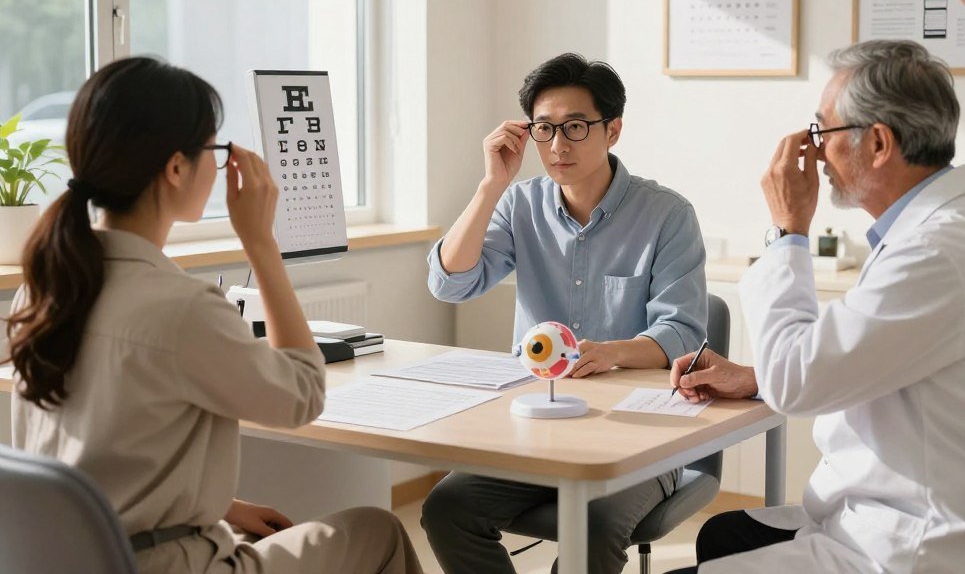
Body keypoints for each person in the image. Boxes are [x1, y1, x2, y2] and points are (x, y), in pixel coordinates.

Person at [3, 57, 422, 574]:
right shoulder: (183, 307)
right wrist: (263, 244)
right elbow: (303, 395)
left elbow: (99, 459)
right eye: (214, 149)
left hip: (76, 557)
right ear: (176, 167)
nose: (220, 165)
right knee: (377, 529)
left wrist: (224, 509)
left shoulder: (42, 292)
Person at [665, 40, 965, 574]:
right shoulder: (950, 228)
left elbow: (799, 384)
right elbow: (866, 353)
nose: (814, 153)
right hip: (905, 509)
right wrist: (755, 376)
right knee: (724, 533)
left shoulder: (934, 253)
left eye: (821, 132)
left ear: (877, 143)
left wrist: (788, 229)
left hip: (905, 547)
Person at [421, 52, 708, 574]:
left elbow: (683, 331)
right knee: (448, 509)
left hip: (640, 431)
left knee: (593, 527)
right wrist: (491, 185)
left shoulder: (667, 214)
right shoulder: (519, 203)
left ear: (612, 130)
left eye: (575, 127)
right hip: (535, 422)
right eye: (544, 129)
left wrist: (610, 353)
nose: (557, 146)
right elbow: (451, 283)